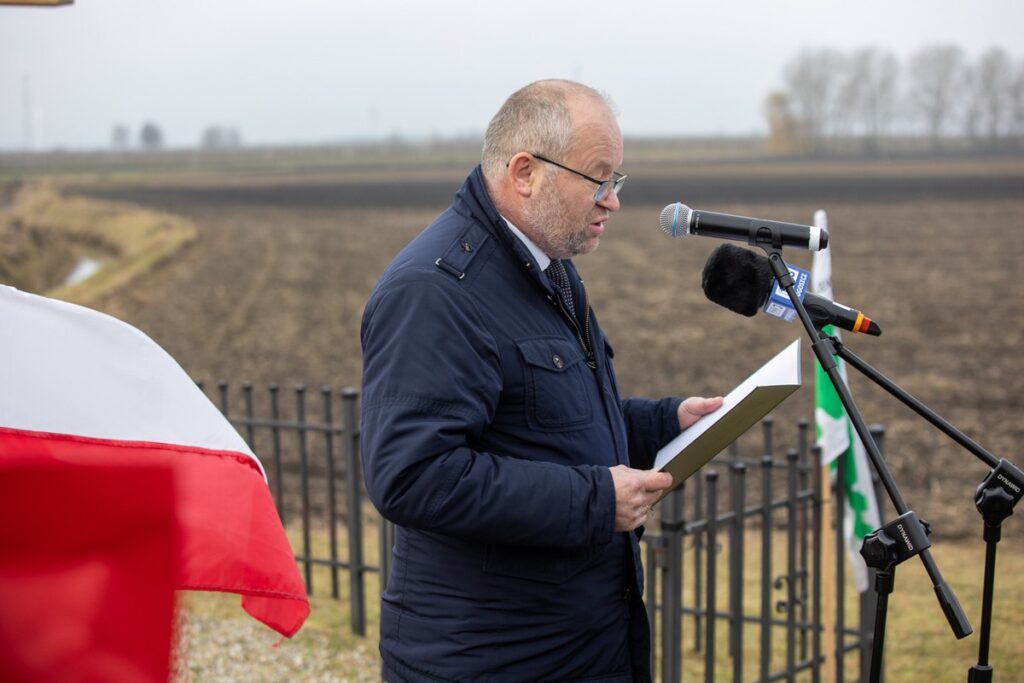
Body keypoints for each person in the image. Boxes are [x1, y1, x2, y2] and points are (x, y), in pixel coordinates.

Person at [360, 79, 723, 683]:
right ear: (525, 172)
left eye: (617, 181)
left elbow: (546, 422)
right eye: (598, 179)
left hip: (577, 644)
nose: (612, 201)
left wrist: (663, 422)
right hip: (491, 659)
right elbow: (413, 476)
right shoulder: (435, 291)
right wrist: (595, 500)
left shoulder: (546, 266)